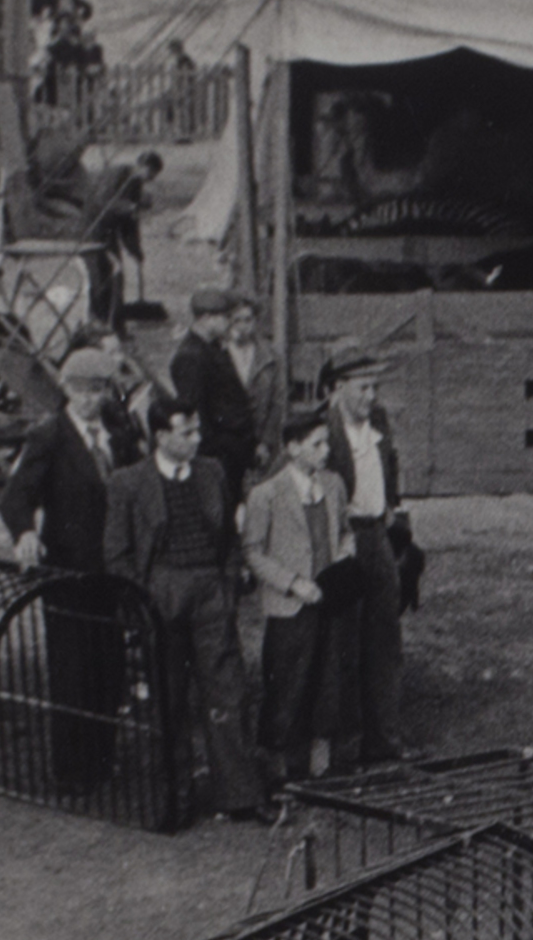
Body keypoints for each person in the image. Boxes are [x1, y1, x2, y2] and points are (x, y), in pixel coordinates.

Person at [103, 398, 276, 824]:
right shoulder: (127, 483)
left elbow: (231, 541)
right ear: (161, 437)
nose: (198, 439)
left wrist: (229, 583)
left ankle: (240, 795)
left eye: (198, 430)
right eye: (187, 432)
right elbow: (117, 554)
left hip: (210, 592)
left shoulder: (212, 472)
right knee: (167, 698)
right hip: (160, 594)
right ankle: (170, 800)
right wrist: (143, 601)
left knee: (228, 693)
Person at [0, 347, 142, 790]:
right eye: (78, 390)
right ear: (65, 390)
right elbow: (15, 497)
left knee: (108, 667)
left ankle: (104, 760)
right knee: (72, 671)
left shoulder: (119, 434)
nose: (87, 399)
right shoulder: (50, 436)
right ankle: (71, 770)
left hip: (111, 572)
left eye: (96, 390)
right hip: (68, 575)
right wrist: (25, 533)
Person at [242, 412, 357, 781]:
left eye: (327, 443)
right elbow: (254, 552)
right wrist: (293, 583)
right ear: (292, 449)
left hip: (328, 600)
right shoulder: (267, 495)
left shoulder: (334, 485)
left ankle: (320, 761)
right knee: (289, 680)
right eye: (316, 444)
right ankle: (281, 765)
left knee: (327, 677)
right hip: (291, 606)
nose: (326, 451)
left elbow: (345, 531)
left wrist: (342, 556)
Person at [322, 345, 417, 762]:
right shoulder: (320, 429)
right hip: (341, 541)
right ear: (338, 387)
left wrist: (395, 515)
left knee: (385, 642)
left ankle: (387, 744)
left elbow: (390, 466)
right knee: (344, 645)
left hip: (377, 535)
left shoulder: (377, 421)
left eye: (375, 387)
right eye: (362, 387)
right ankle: (346, 749)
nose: (370, 396)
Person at [168, 287, 260, 509]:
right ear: (206, 318)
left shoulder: (212, 348)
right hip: (218, 459)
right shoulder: (190, 356)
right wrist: (213, 462)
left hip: (230, 456)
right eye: (225, 317)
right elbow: (197, 416)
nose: (230, 323)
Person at [83, 150, 160, 322]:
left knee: (115, 275)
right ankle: (99, 319)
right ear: (143, 166)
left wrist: (135, 250)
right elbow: (104, 203)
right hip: (94, 229)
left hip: (109, 231)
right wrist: (131, 207)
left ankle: (112, 319)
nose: (150, 180)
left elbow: (129, 225)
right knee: (101, 275)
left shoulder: (135, 184)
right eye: (151, 174)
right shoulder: (116, 174)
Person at [226, 298, 287, 489]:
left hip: (261, 439)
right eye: (237, 320)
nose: (243, 326)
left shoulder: (270, 356)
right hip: (229, 441)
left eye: (248, 320)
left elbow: (278, 402)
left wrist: (266, 442)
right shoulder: (221, 354)